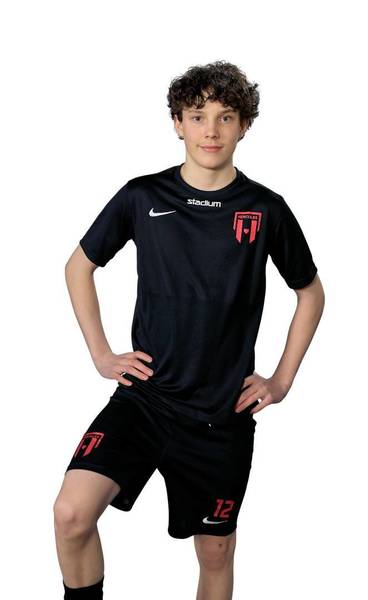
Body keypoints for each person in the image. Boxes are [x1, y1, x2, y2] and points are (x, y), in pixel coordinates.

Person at [53, 59, 325, 600]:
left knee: (215, 553)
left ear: (244, 126)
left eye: (226, 117)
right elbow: (78, 267)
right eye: (198, 116)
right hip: (146, 400)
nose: (211, 130)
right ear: (177, 123)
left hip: (221, 413)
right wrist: (103, 354)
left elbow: (310, 293)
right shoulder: (142, 196)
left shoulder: (265, 209)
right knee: (71, 514)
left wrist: (280, 381)